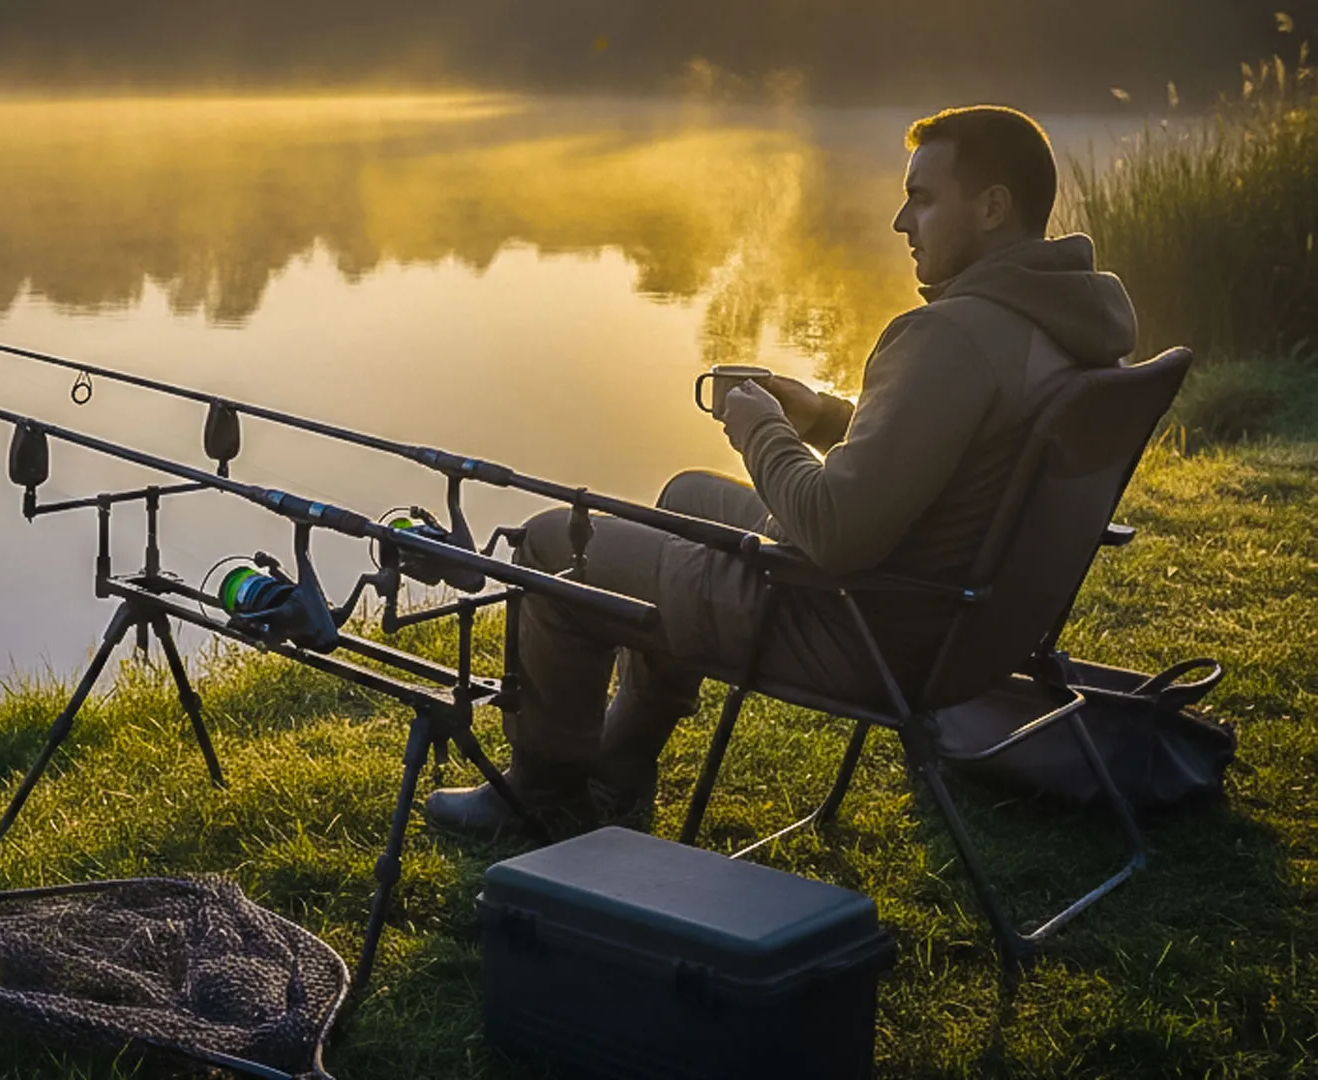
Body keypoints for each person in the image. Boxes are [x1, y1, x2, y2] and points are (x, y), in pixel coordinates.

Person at [424, 104, 1140, 837]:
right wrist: (829, 419)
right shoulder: (1060, 322)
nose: (900, 221)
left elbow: (834, 533)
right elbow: (963, 457)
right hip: (966, 628)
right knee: (683, 498)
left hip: (856, 627)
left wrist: (759, 426)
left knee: (554, 545)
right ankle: (619, 768)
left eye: (921, 198)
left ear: (992, 207)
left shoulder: (951, 336)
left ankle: (542, 798)